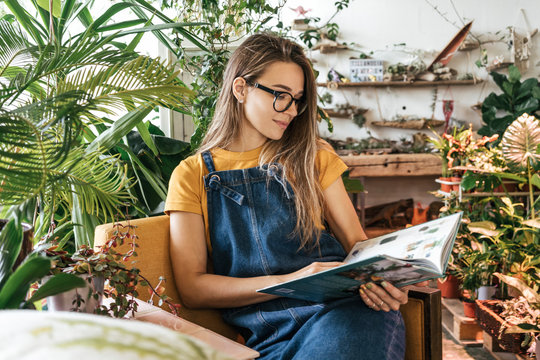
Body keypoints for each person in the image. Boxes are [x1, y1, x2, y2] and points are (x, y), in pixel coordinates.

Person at [165, 32, 420, 359]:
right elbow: (193, 289)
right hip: (267, 340)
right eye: (280, 95)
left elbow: (359, 244)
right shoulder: (191, 175)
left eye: (298, 99)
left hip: (344, 315)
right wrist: (290, 280)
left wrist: (387, 279)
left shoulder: (314, 158)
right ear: (240, 88)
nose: (291, 110)